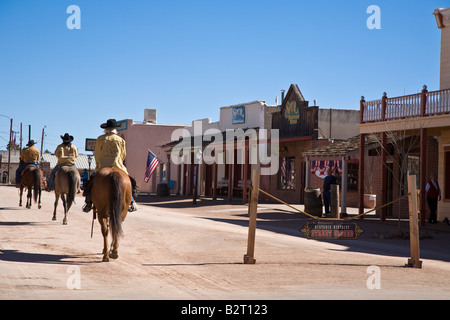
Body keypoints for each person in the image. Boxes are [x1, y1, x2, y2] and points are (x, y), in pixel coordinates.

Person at [82, 119, 137, 212]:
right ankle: (131, 202)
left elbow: (97, 154)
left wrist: (99, 164)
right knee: (131, 182)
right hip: (118, 166)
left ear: (106, 129)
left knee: (90, 183)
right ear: (115, 129)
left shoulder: (100, 139)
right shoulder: (121, 140)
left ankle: (88, 202)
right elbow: (123, 155)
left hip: (102, 166)